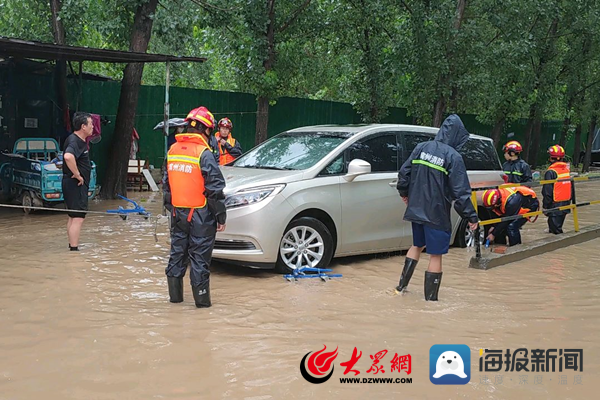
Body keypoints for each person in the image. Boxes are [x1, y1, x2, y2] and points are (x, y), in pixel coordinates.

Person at [395, 114, 479, 301]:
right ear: (457, 135)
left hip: (416, 209)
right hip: (436, 213)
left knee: (417, 245)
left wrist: (404, 194)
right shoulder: (453, 157)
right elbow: (461, 192)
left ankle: (401, 288)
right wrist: (471, 217)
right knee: (435, 256)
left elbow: (404, 173)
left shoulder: (421, 147)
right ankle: (430, 303)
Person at [163, 106, 227, 308]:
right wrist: (220, 216)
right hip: (201, 216)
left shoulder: (172, 150)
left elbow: (166, 186)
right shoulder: (204, 154)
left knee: (176, 256)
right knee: (199, 261)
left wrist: (171, 209)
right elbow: (215, 189)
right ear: (207, 130)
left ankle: (175, 302)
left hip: (177, 214)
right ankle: (202, 308)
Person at [62, 112, 94, 251]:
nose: (93, 127)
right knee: (78, 217)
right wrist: (78, 175)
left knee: (73, 216)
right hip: (76, 184)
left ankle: (71, 246)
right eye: (91, 124)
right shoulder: (75, 141)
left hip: (71, 184)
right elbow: (68, 157)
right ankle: (74, 250)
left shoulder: (76, 140)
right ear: (83, 126)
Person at [542, 145, 572, 234]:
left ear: (551, 158)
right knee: (556, 228)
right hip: (565, 203)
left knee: (556, 232)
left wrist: (545, 207)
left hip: (555, 205)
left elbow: (547, 192)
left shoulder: (551, 172)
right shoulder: (566, 170)